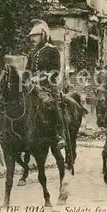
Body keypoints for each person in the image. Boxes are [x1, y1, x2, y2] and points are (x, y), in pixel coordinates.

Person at [26, 19, 66, 149]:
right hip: (32, 86)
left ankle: (59, 134)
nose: (33, 38)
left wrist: (41, 79)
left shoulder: (52, 50)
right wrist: (26, 79)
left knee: (52, 104)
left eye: (35, 36)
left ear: (43, 35)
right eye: (32, 36)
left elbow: (56, 71)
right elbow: (27, 71)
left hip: (48, 86)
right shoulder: (32, 52)